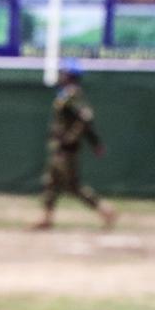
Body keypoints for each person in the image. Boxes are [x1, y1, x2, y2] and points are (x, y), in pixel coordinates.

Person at [31, 60, 117, 230]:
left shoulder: (73, 94)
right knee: (50, 182)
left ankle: (105, 210)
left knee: (73, 186)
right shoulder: (64, 94)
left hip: (67, 150)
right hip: (58, 148)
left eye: (64, 73)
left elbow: (85, 118)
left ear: (70, 76)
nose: (61, 76)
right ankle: (46, 218)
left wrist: (76, 138)